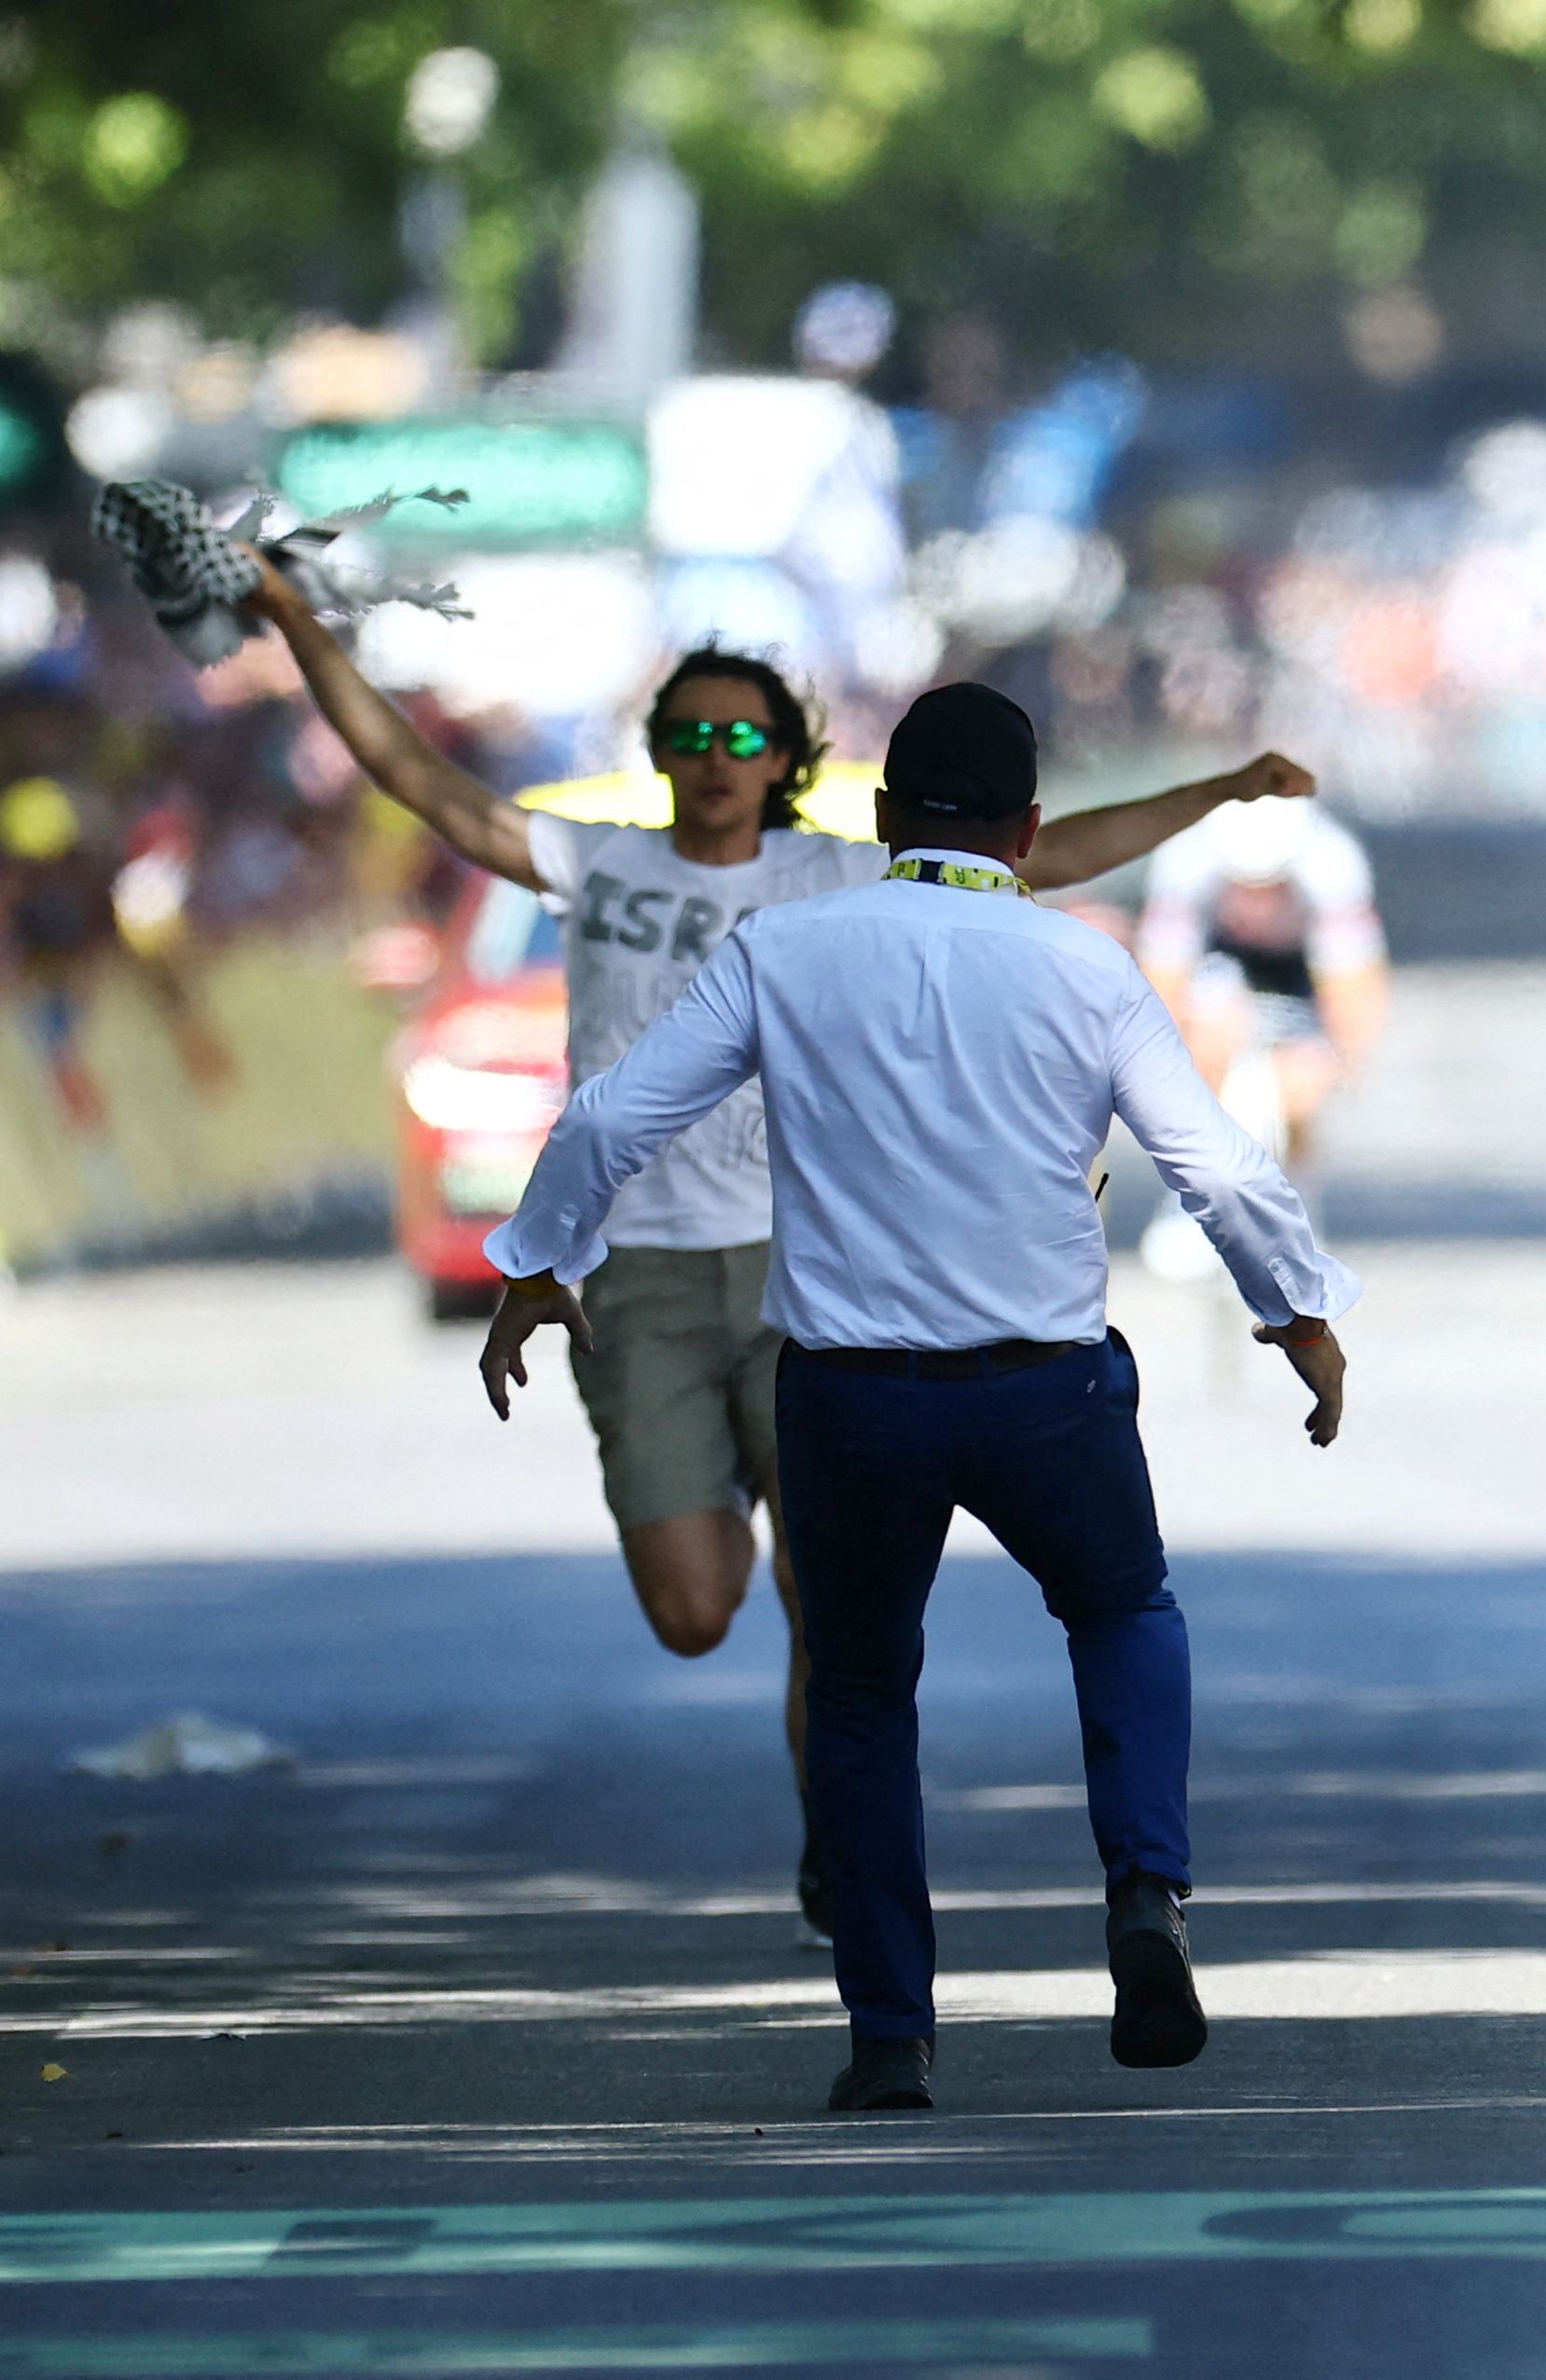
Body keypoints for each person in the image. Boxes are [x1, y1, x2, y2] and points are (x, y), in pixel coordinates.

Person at [241, 563, 1308, 1937]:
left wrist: (1213, 796)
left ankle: (844, 1862)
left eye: (743, 736)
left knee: (837, 1604)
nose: (713, 757)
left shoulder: (836, 877)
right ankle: (930, 1795)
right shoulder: (595, 863)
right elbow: (414, 778)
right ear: (661, 754)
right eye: (689, 734)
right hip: (646, 1281)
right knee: (695, 1611)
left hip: (803, 1275)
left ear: (793, 765)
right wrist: (298, 628)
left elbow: (1041, 848)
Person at [475, 681, 1358, 2113]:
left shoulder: (785, 947)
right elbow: (1217, 1164)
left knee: (866, 1694)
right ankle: (1146, 1889)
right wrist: (1296, 1311)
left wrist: (535, 1267)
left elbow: (610, 1118)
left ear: (882, 823)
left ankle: (892, 2032)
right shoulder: (1083, 966)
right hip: (1046, 1390)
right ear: (1025, 829)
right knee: (1122, 1610)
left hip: (853, 1400)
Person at [1135, 791, 1387, 1173]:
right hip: (1218, 960)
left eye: (1272, 886)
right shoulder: (1184, 861)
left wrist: (1342, 1061)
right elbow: (1162, 984)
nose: (1258, 902)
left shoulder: (1333, 864)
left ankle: (1295, 1183)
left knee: (1301, 1084)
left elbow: (1354, 989)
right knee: (1207, 1040)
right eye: (1245, 885)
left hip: (1297, 968)